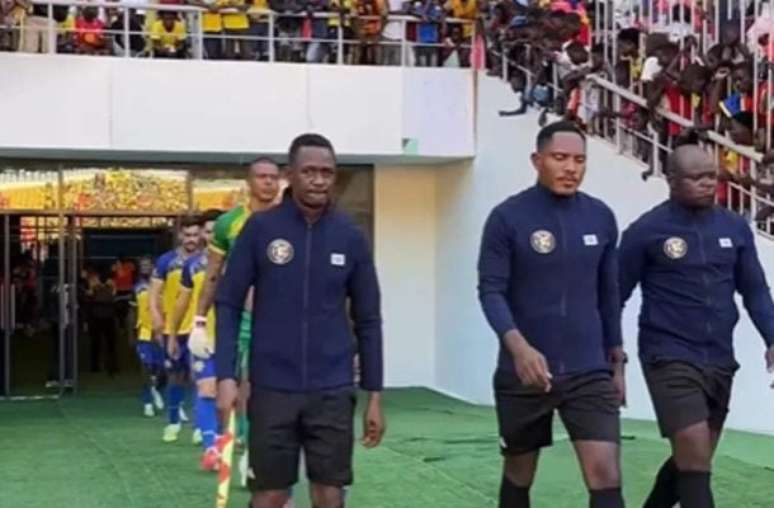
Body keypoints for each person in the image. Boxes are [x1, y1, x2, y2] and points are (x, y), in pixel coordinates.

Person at [215, 133, 385, 508]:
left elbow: (369, 318)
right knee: (270, 494)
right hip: (272, 387)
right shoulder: (260, 230)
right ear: (290, 174)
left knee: (330, 493)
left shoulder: (350, 236)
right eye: (309, 171)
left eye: (327, 172)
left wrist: (375, 393)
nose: (319, 179)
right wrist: (226, 375)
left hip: (332, 388)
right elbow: (227, 302)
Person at [477, 121, 626, 508]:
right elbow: (491, 291)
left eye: (579, 160)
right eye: (560, 158)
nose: (570, 168)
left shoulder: (600, 217)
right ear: (537, 160)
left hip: (588, 371)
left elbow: (608, 296)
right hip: (524, 374)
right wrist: (519, 348)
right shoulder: (507, 218)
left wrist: (618, 361)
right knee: (519, 475)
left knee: (605, 475)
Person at [619, 144, 774, 508]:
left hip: (719, 358)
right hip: (667, 355)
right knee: (694, 459)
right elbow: (614, 295)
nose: (708, 184)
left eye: (712, 177)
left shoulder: (734, 227)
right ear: (672, 180)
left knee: (693, 460)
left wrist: (772, 337)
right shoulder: (646, 231)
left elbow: (754, 290)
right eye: (697, 178)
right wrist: (611, 354)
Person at [189, 157, 281, 485]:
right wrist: (199, 319)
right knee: (236, 391)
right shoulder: (230, 223)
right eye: (262, 176)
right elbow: (213, 275)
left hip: (281, 320)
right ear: (249, 182)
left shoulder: (293, 218)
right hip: (240, 319)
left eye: (273, 177)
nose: (268, 182)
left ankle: (258, 456)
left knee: (268, 392)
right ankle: (241, 451)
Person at [169, 209, 221, 470]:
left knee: (239, 395)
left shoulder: (242, 261)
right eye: (208, 231)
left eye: (215, 231)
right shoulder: (193, 266)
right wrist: (172, 332)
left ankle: (238, 444)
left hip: (236, 337)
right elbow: (182, 301)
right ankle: (210, 447)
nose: (211, 236)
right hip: (203, 338)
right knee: (206, 389)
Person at [149, 216, 202, 443]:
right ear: (180, 235)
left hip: (200, 327)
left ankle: (200, 425)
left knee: (200, 377)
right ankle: (173, 422)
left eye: (195, 234)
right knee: (175, 375)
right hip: (175, 328)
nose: (191, 239)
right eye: (187, 235)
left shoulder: (208, 262)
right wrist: (158, 322)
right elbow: (153, 295)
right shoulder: (166, 261)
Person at [129, 256, 165, 417]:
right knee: (145, 368)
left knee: (162, 370)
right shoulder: (137, 287)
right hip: (144, 332)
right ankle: (147, 403)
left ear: (153, 267)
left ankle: (155, 388)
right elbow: (132, 312)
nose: (144, 267)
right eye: (141, 265)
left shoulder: (163, 285)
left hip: (161, 332)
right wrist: (130, 333)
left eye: (147, 265)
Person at [88, 267, 118, 377]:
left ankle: (98, 366)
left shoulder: (97, 282)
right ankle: (107, 366)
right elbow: (114, 295)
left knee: (99, 343)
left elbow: (90, 295)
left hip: (100, 316)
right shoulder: (104, 283)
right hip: (103, 316)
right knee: (107, 344)